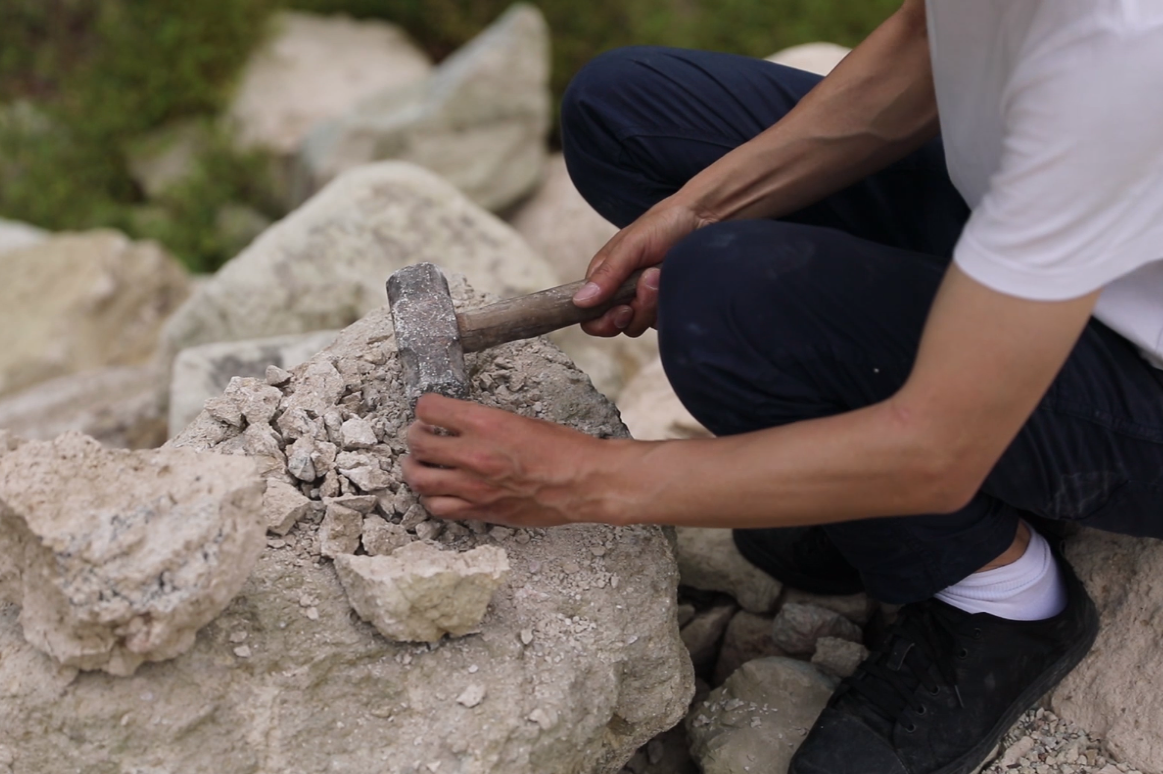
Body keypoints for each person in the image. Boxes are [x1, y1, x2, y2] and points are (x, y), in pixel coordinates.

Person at [399, 1, 1163, 772]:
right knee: (623, 113)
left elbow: (938, 450)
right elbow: (920, 37)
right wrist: (700, 208)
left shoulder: (1123, 54)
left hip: (1142, 381)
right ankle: (859, 478)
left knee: (727, 301)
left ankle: (1001, 597)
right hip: (1054, 232)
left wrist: (578, 481)